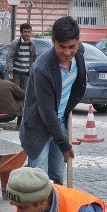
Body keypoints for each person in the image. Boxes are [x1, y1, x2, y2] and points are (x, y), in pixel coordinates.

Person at [19, 16, 86, 185]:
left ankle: (56, 211)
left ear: (78, 41)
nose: (67, 52)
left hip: (59, 124)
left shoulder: (79, 54)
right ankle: (32, 211)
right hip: (38, 128)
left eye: (72, 46)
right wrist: (65, 145)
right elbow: (46, 112)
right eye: (61, 47)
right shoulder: (43, 68)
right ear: (53, 41)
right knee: (39, 182)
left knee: (56, 179)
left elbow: (78, 86)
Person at [5, 23, 38, 90]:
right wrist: (10, 71)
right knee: (15, 93)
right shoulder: (15, 43)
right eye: (25, 32)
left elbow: (35, 57)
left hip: (26, 74)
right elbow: (9, 57)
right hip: (15, 73)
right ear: (21, 32)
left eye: (29, 32)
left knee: (24, 95)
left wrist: (34, 69)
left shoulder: (32, 44)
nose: (27, 34)